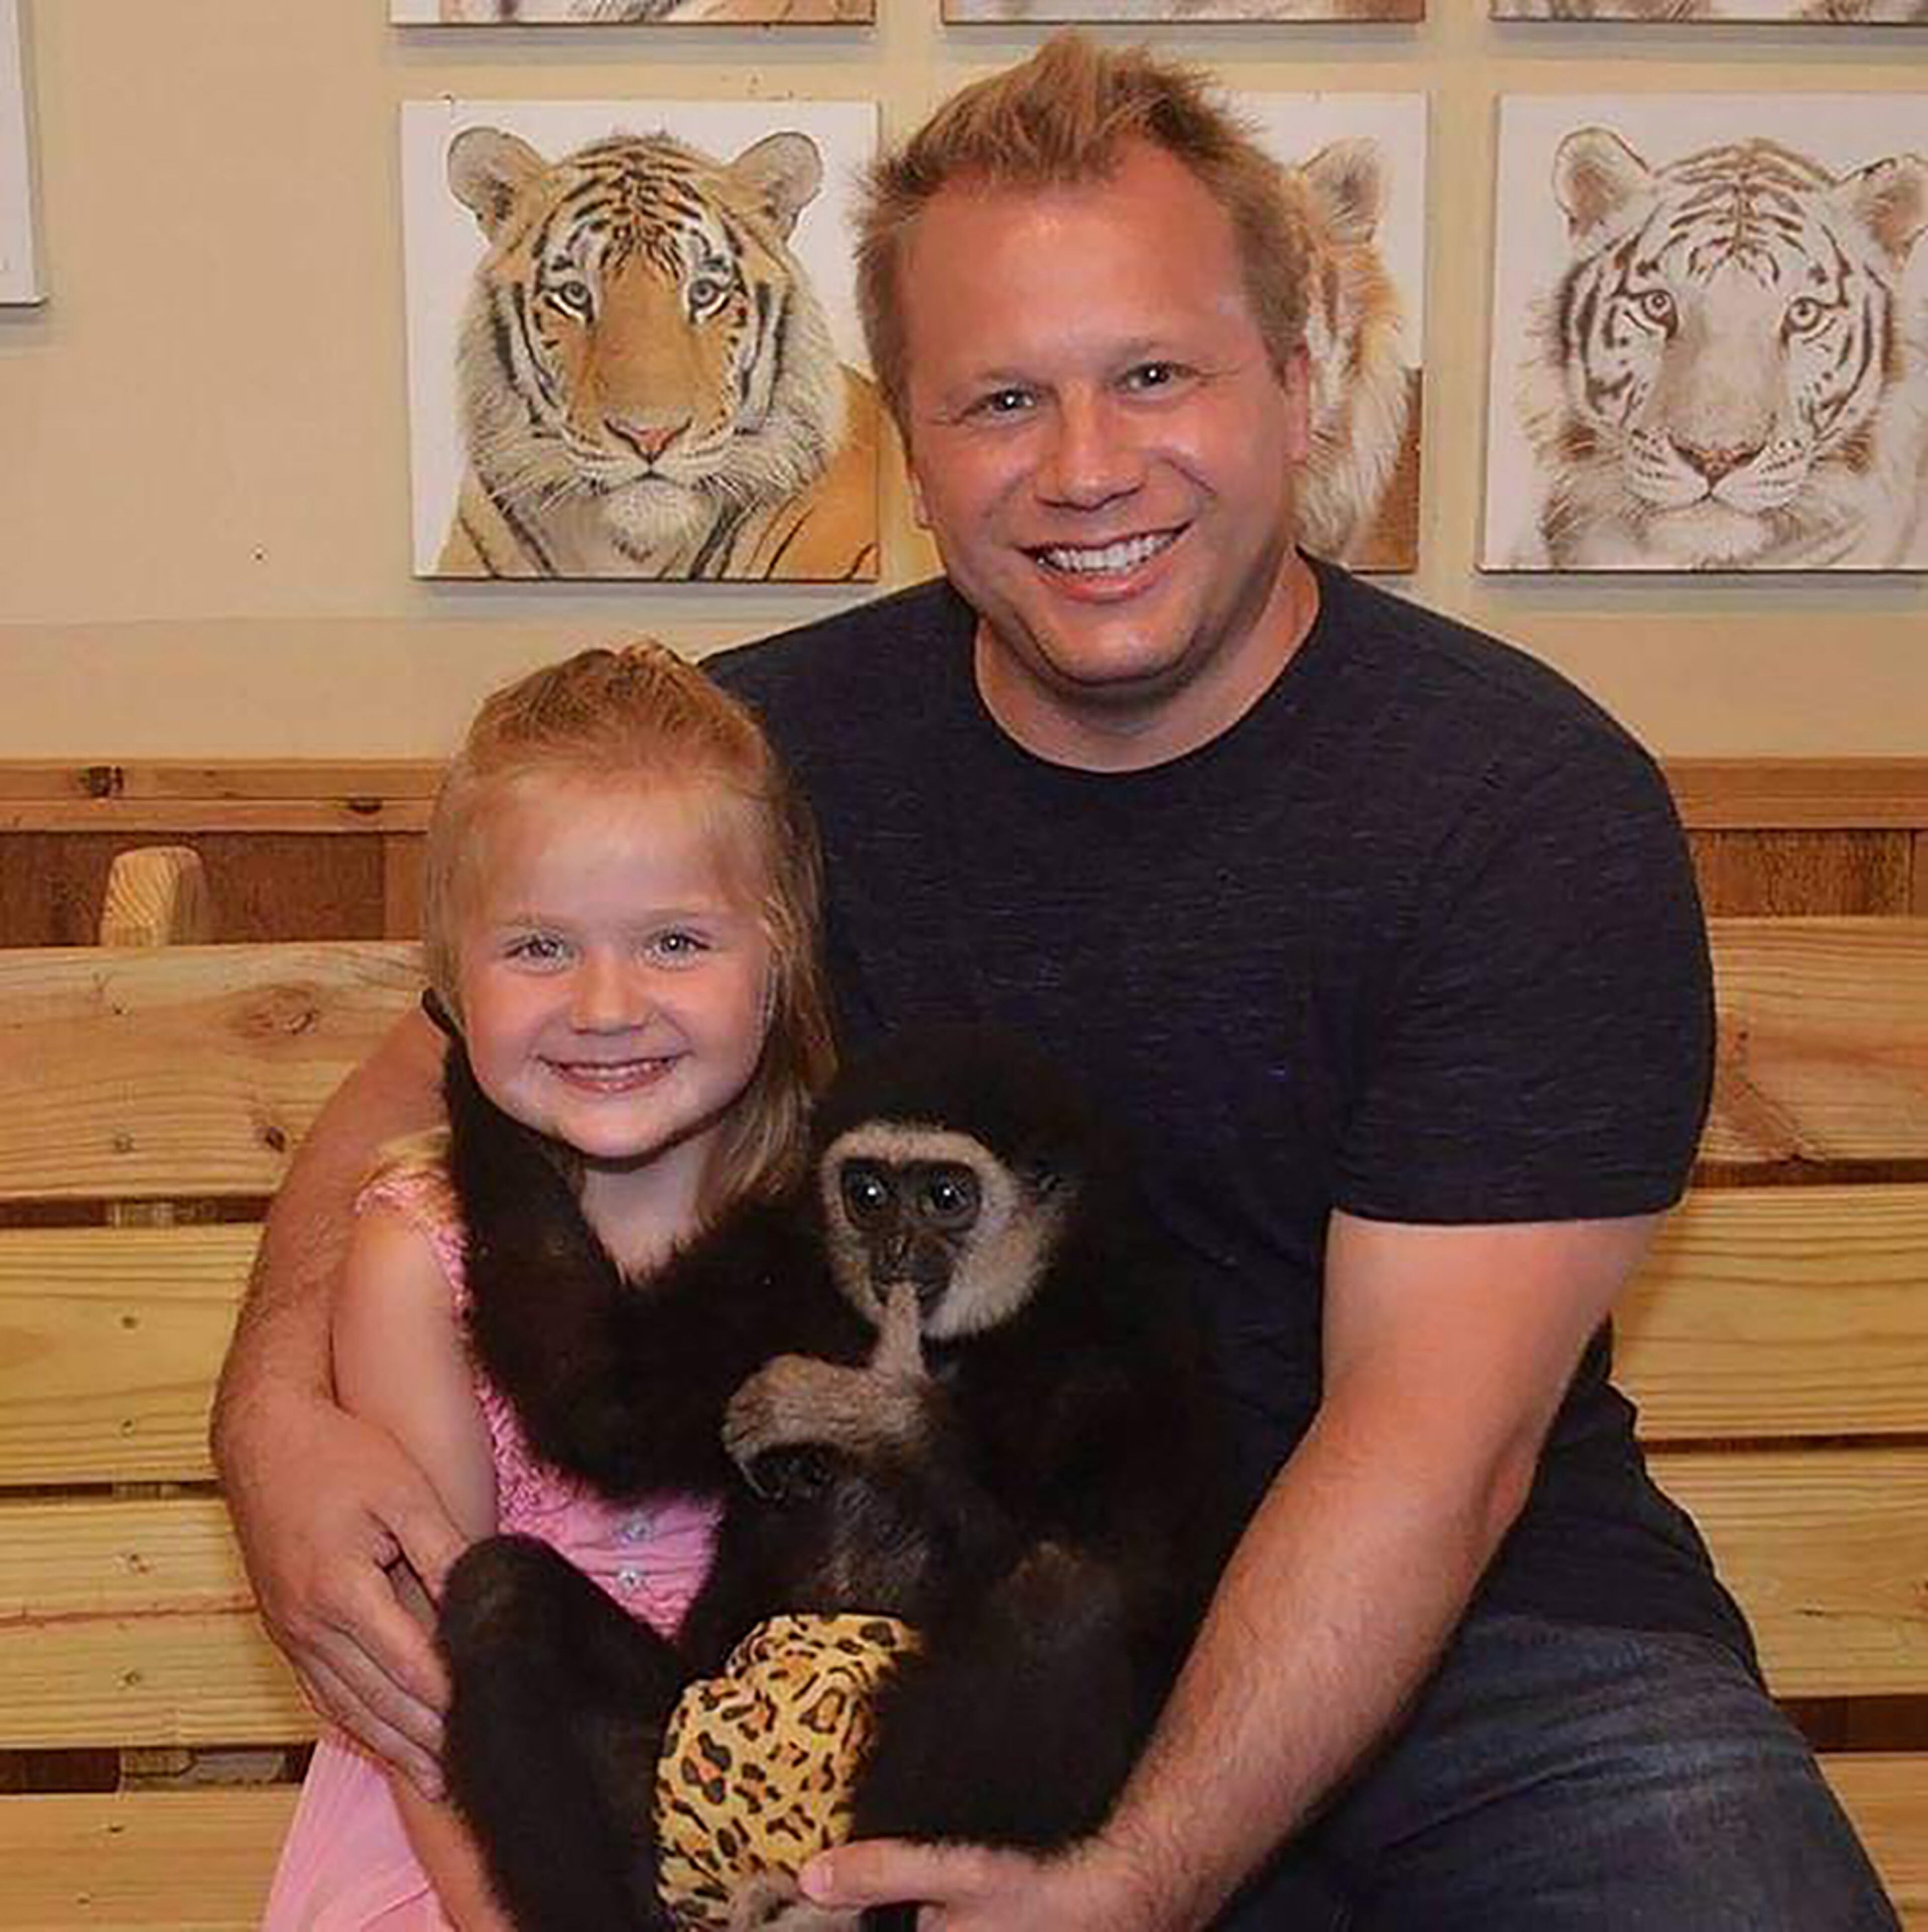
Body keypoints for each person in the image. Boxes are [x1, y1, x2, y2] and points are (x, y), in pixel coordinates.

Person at [214, 34, 1899, 1931]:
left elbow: (1438, 1445)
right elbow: (417, 1096)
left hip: (1487, 1644)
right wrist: (273, 1422)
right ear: (911, 439)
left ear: (1302, 374)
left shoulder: (1521, 810)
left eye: (1156, 373)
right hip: (908, 1624)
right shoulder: (760, 762)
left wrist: (1144, 1866)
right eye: (1000, 397)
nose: (1085, 466)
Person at [255, 642, 835, 1927]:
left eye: (676, 941)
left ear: (778, 958)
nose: (607, 1004)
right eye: (537, 947)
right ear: (454, 983)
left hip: (773, 1812)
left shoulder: (833, 1222)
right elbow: (430, 1672)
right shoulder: (420, 1258)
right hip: (487, 1831)